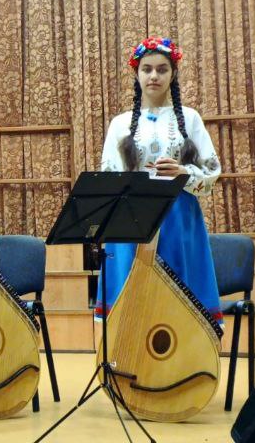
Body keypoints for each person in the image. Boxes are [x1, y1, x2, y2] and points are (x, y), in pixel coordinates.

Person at [96, 37, 224, 333]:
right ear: (137, 73)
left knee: (179, 295)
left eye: (162, 69)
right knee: (131, 302)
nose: (154, 76)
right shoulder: (120, 123)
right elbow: (108, 173)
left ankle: (182, 354)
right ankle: (128, 353)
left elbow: (211, 170)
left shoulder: (190, 118)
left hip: (178, 216)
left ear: (173, 74)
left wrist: (183, 172)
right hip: (131, 217)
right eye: (147, 69)